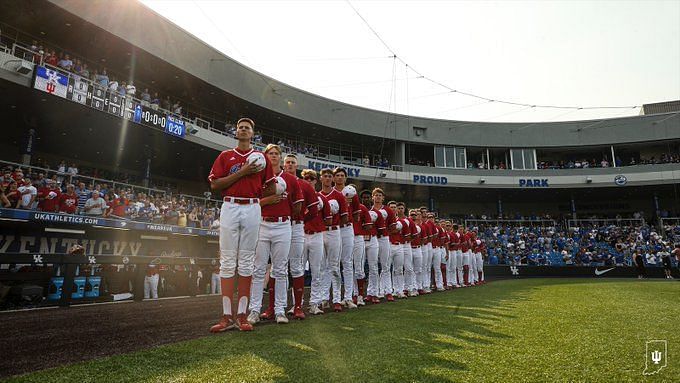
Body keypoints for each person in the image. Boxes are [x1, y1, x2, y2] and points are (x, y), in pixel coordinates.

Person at [208, 117, 275, 333]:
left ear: (252, 134)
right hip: (229, 206)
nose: (244, 130)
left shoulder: (262, 158)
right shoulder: (225, 156)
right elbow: (215, 184)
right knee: (227, 261)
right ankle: (226, 316)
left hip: (252, 208)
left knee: (246, 262)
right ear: (236, 132)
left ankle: (242, 316)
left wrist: (253, 193)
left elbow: (271, 190)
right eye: (241, 128)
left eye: (248, 128)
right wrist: (243, 173)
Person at [247, 144, 302, 326]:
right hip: (262, 223)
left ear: (281, 157)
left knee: (280, 269)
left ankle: (279, 310)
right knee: (258, 269)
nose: (273, 156)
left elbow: (297, 206)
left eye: (276, 154)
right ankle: (254, 310)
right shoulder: (258, 177)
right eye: (270, 153)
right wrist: (268, 200)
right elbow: (251, 202)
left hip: (283, 224)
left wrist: (284, 211)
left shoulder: (290, 179)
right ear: (265, 156)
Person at [283, 154, 318, 318]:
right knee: (279, 267)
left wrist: (301, 219)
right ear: (284, 165)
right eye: (287, 162)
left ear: (297, 166)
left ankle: (298, 306)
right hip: (279, 225)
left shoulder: (303, 184)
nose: (290, 165)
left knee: (296, 266)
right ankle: (279, 306)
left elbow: (313, 210)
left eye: (292, 163)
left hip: (296, 226)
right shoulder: (275, 180)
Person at [301, 169, 331, 315]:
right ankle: (297, 304)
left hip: (317, 235)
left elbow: (328, 218)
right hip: (301, 234)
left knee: (316, 270)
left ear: (315, 181)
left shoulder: (321, 198)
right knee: (298, 270)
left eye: (312, 178)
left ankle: (314, 303)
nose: (309, 180)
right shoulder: (298, 196)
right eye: (306, 178)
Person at [318, 168, 348, 312]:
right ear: (321, 179)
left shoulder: (338, 195)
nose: (328, 178)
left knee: (334, 266)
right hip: (321, 232)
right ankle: (323, 298)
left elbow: (345, 216)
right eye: (325, 176)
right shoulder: (317, 195)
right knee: (321, 267)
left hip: (335, 232)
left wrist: (334, 222)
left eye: (330, 176)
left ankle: (336, 299)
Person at [333, 167, 359, 308]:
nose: (340, 177)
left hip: (347, 228)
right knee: (334, 264)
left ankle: (348, 297)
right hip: (334, 229)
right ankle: (335, 297)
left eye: (342, 175)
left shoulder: (352, 193)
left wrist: (349, 220)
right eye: (337, 175)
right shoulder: (331, 192)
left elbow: (356, 213)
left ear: (346, 178)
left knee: (348, 263)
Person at [371, 188, 397, 301]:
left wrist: (386, 233)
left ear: (383, 198)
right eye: (376, 195)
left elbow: (393, 226)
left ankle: (388, 291)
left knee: (385, 265)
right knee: (373, 266)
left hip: (384, 238)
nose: (377, 197)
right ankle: (375, 292)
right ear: (373, 197)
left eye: (380, 195)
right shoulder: (369, 210)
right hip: (372, 238)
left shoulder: (388, 210)